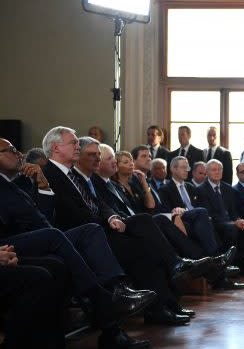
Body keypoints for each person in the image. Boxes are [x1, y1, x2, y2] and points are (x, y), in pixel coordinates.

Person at [41, 127, 219, 326]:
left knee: (147, 243)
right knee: (146, 231)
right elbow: (72, 214)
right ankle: (178, 269)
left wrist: (111, 218)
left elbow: (98, 204)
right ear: (56, 147)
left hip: (102, 228)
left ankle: (162, 303)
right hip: (83, 237)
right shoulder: (47, 174)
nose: (77, 146)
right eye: (73, 143)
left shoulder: (70, 174)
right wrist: (107, 222)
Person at [0, 137, 157, 349]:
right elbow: (44, 224)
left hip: (43, 237)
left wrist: (43, 185)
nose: (19, 154)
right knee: (65, 250)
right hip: (15, 244)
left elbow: (40, 220)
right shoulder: (29, 180)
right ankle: (104, 301)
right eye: (10, 150)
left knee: (94, 232)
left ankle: (116, 295)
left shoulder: (25, 180)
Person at [159, 156, 244, 290]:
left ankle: (219, 275)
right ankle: (218, 259)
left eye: (187, 167)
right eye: (183, 167)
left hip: (198, 222)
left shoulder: (190, 187)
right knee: (203, 213)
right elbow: (164, 212)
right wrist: (175, 210)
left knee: (206, 221)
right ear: (173, 169)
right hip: (181, 221)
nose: (187, 170)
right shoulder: (165, 189)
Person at [196, 159, 244, 276]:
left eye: (219, 169)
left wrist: (238, 219)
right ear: (207, 172)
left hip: (231, 221)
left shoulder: (228, 188)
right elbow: (208, 214)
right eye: (214, 170)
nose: (217, 172)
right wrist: (232, 223)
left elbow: (233, 211)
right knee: (232, 228)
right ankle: (231, 264)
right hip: (215, 223)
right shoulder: (201, 189)